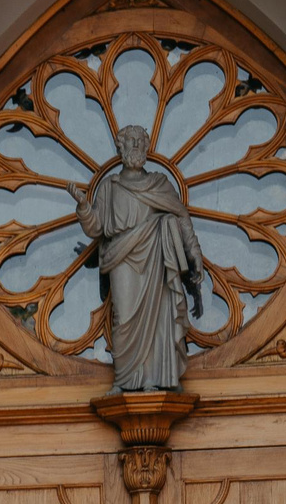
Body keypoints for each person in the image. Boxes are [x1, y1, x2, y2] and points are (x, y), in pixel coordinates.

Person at [71, 124, 205, 392]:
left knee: (157, 318)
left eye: (139, 141)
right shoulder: (110, 187)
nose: (134, 145)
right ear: (120, 148)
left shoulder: (159, 184)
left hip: (156, 257)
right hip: (121, 258)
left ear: (146, 148)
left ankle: (154, 380)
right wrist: (84, 207)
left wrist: (194, 254)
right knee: (124, 318)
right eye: (129, 140)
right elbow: (97, 228)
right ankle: (124, 381)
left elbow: (181, 216)